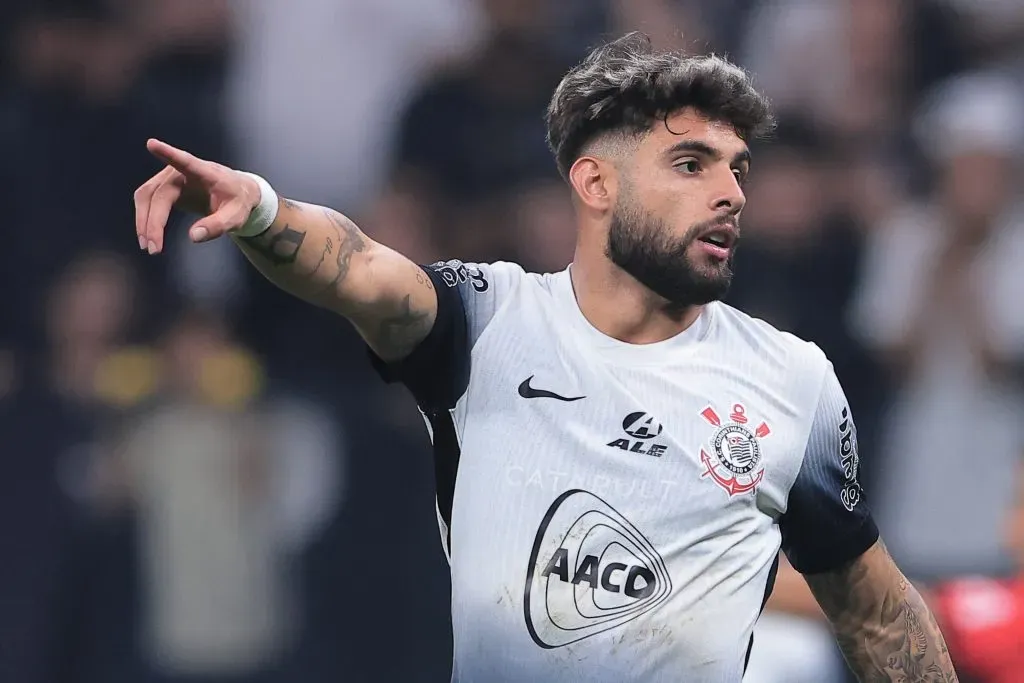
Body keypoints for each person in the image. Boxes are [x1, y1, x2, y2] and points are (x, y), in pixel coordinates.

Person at [132, 32, 957, 683]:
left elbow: (875, 613)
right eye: (691, 163)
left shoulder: (792, 378)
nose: (731, 192)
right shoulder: (490, 318)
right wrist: (259, 209)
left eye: (738, 169)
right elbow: (356, 267)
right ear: (595, 184)